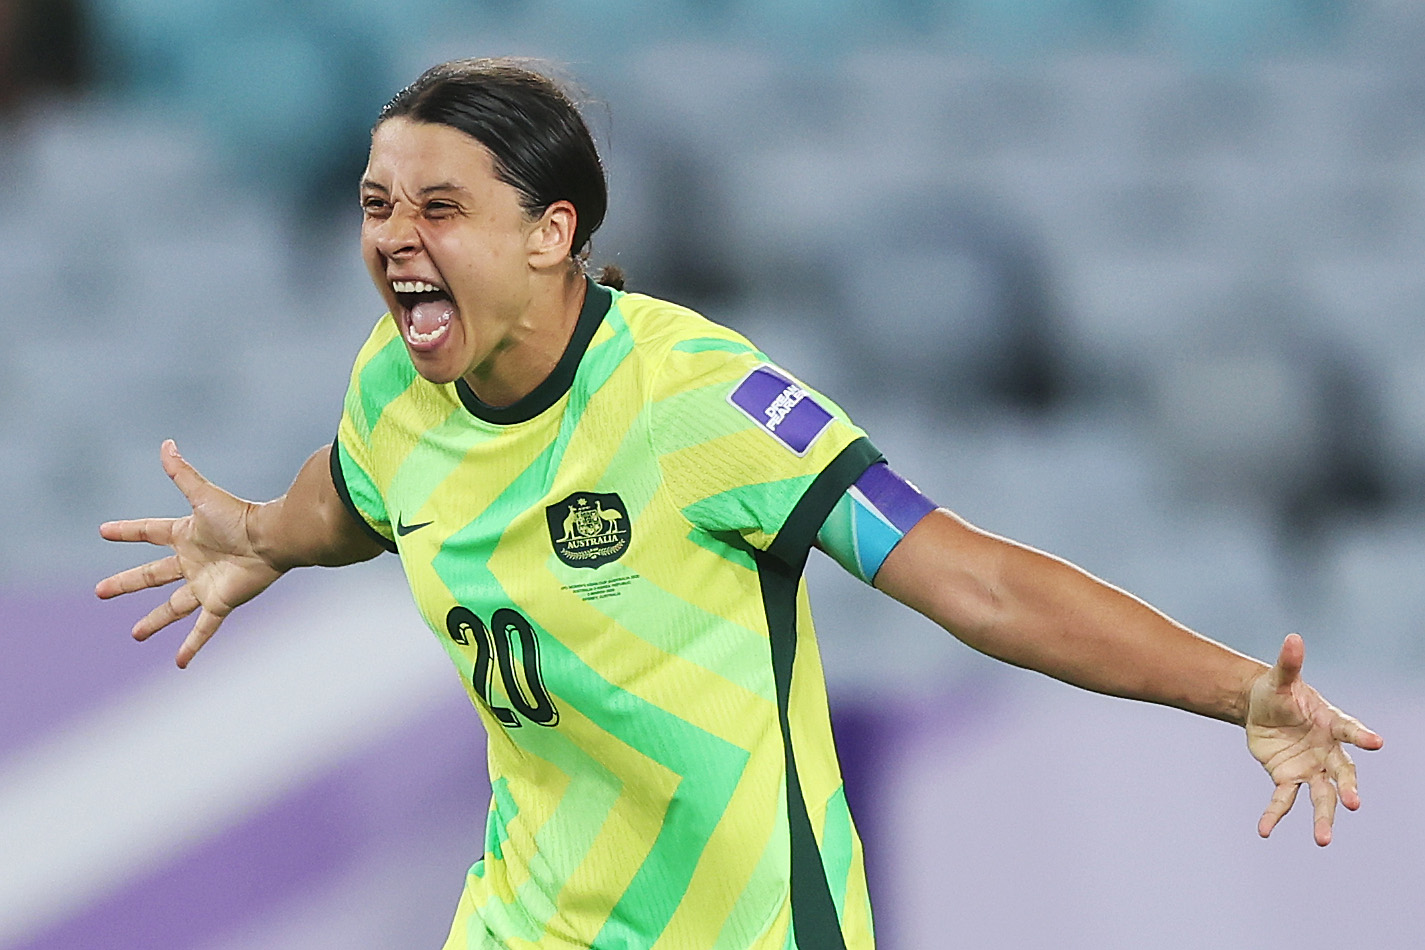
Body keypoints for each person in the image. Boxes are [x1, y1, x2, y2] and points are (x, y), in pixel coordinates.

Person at [96, 58, 1383, 950]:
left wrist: (1237, 691)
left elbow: (972, 578)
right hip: (528, 922)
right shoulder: (395, 385)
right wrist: (260, 535)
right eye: (378, 206)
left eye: (440, 207)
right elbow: (357, 490)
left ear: (552, 233)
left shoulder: (693, 398)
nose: (392, 237)